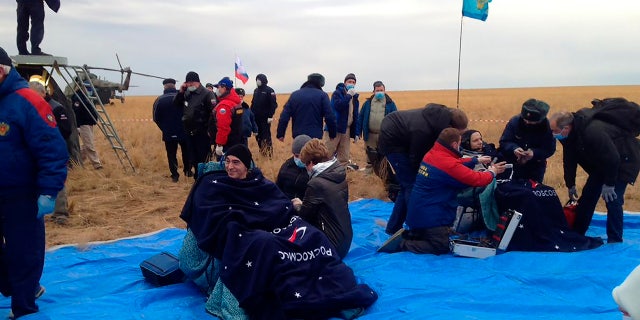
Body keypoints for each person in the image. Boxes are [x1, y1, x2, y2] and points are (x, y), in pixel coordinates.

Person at [179, 143, 376, 318]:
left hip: (279, 227)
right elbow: (211, 212)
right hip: (247, 233)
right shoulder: (215, 185)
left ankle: (328, 287)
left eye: (236, 162)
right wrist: (236, 222)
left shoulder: (260, 183)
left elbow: (280, 205)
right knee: (265, 244)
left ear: (246, 165)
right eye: (227, 161)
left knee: (313, 235)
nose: (230, 167)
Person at [0, 46, 68, 318]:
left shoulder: (28, 101)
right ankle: (17, 286)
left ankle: (24, 306)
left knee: (24, 251)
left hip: (22, 194)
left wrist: (48, 191)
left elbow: (51, 149)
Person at [384, 128, 504, 254]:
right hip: (431, 218)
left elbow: (455, 162)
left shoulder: (432, 154)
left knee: (433, 236)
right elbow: (477, 179)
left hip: (417, 213)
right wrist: (492, 172)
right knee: (441, 246)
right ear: (454, 145)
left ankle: (414, 234)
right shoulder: (448, 165)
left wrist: (475, 160)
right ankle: (404, 244)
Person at [549, 109, 640, 243]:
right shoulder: (568, 136)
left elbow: (613, 158)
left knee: (613, 199)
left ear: (566, 128)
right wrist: (570, 184)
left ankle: (615, 239)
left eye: (554, 131)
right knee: (588, 197)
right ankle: (577, 234)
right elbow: (569, 158)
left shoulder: (593, 132)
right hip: (602, 163)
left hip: (623, 161)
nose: (553, 134)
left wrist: (609, 184)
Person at [378, 103, 469, 235]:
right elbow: (416, 158)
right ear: (450, 127)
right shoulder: (422, 130)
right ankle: (418, 229)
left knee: (406, 186)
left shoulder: (439, 121)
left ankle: (393, 227)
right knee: (412, 185)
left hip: (406, 139)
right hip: (393, 141)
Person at [295, 138, 353, 259]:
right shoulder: (339, 172)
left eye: (306, 164)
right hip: (346, 240)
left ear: (311, 163)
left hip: (331, 248)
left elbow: (304, 217)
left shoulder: (316, 184)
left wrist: (298, 205)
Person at [29, 80, 72, 225]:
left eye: (35, 95)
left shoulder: (57, 108)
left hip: (54, 152)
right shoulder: (30, 108)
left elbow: (66, 130)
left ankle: (60, 214)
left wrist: (49, 137)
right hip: (37, 152)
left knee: (57, 182)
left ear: (43, 92)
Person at [498, 98, 556, 182]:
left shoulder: (548, 127)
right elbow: (504, 142)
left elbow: (549, 149)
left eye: (532, 121)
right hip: (513, 165)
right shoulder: (514, 122)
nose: (527, 122)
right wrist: (514, 149)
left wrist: (534, 153)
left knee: (532, 193)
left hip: (536, 168)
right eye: (526, 119)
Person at [173, 71, 216, 177]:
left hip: (202, 132)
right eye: (188, 83)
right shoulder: (187, 93)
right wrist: (181, 91)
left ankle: (204, 178)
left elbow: (214, 114)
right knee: (192, 157)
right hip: (189, 132)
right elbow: (176, 103)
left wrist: (210, 131)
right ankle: (197, 177)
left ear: (198, 82)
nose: (190, 85)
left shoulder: (207, 94)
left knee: (203, 158)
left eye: (192, 83)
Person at [276, 73, 337, 141]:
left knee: (299, 151)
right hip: (315, 137)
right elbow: (330, 117)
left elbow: (284, 116)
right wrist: (332, 134)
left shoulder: (295, 95)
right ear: (321, 83)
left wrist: (280, 134)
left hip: (298, 137)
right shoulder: (323, 96)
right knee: (314, 152)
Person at [153, 78, 190, 182]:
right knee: (186, 152)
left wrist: (164, 128)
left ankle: (175, 175)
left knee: (171, 154)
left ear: (164, 87)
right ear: (174, 86)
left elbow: (156, 118)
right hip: (184, 131)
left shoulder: (159, 100)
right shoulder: (183, 97)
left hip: (168, 132)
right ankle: (188, 171)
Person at [357, 80, 398, 175]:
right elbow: (361, 117)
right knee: (370, 153)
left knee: (383, 154)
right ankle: (369, 172)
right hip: (370, 134)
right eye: (377, 90)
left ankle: (383, 172)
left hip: (384, 135)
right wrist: (358, 131)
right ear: (374, 91)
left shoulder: (390, 103)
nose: (379, 92)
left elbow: (395, 119)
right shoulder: (367, 103)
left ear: (384, 90)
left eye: (381, 90)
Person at [325, 73, 359, 168]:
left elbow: (355, 115)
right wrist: (348, 96)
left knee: (344, 154)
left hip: (346, 129)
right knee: (328, 152)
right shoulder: (337, 93)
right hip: (334, 127)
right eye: (349, 82)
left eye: (353, 82)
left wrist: (356, 132)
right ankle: (323, 173)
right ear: (345, 82)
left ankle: (341, 173)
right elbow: (338, 106)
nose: (351, 84)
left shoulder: (355, 97)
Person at [72, 81, 102, 169]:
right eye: (88, 89)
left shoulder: (86, 97)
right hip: (83, 124)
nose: (89, 91)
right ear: (82, 87)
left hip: (89, 123)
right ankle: (97, 164)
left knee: (86, 145)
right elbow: (76, 112)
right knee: (89, 145)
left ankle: (76, 161)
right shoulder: (77, 97)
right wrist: (77, 126)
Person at [210, 77, 243, 158]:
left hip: (226, 144)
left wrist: (220, 144)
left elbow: (223, 127)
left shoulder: (224, 106)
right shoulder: (235, 103)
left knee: (225, 167)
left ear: (224, 88)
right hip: (236, 140)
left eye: (218, 87)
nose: (217, 90)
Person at [276, 134, 311, 200]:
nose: (299, 159)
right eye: (296, 156)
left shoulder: (317, 170)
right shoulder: (286, 167)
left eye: (301, 156)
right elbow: (278, 189)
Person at [250, 74, 278, 157]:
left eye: (259, 79)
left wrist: (270, 116)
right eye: (257, 79)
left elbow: (273, 104)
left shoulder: (269, 90)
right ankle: (262, 152)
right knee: (258, 136)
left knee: (266, 136)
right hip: (256, 118)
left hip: (265, 119)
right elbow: (253, 103)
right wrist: (251, 115)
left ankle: (269, 154)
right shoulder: (256, 91)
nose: (258, 81)